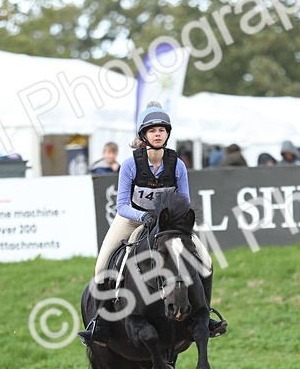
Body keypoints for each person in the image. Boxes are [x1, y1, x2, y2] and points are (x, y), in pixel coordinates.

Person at [79, 101, 227, 346]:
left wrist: (176, 221)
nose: (158, 134)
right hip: (133, 219)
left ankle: (205, 315)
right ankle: (101, 323)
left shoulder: (177, 165)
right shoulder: (129, 165)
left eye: (162, 130)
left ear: (167, 134)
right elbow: (122, 205)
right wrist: (145, 217)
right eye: (152, 130)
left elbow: (184, 201)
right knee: (101, 266)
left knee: (207, 262)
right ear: (144, 136)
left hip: (168, 224)